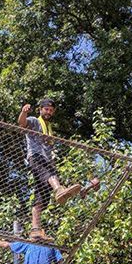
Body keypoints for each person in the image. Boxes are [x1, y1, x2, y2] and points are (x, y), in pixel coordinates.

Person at [17, 98, 97, 240]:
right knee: (50, 174)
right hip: (36, 157)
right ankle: (59, 190)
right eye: (46, 109)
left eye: (51, 110)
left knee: (41, 196)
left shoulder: (49, 127)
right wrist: (23, 112)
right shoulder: (35, 121)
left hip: (47, 160)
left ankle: (35, 230)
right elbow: (22, 123)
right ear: (40, 109)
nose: (49, 112)